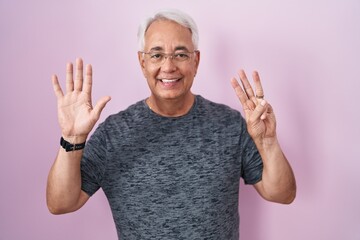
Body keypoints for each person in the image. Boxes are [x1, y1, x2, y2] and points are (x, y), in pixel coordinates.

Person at [47, 9, 296, 239]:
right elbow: (61, 203)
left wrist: (269, 143)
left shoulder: (230, 124)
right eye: (156, 55)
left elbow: (282, 194)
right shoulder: (114, 133)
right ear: (142, 62)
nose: (168, 66)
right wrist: (71, 139)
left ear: (196, 61)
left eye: (180, 54)